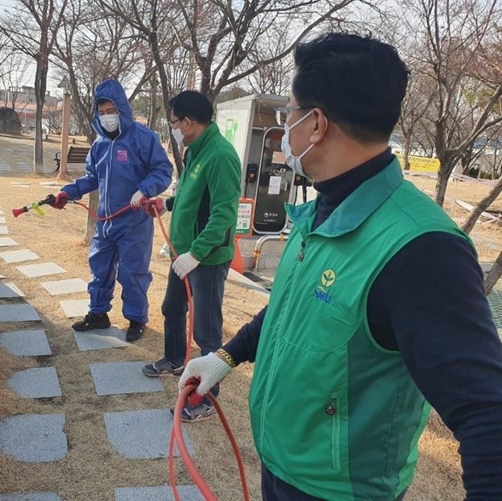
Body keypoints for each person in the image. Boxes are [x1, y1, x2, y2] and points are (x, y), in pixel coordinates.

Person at [178, 32, 502, 500]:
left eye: (288, 112)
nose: (284, 127)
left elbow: (487, 415)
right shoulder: (321, 210)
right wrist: (226, 356)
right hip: (282, 466)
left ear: (315, 124)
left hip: (337, 491)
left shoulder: (422, 251)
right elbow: (293, 306)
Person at [142, 90, 241, 422]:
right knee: (172, 307)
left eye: (173, 122)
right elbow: (189, 194)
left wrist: (197, 254)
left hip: (206, 259)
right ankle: (173, 359)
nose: (173, 128)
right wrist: (165, 204)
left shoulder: (220, 156)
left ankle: (206, 398)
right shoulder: (195, 150)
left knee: (207, 332)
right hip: (182, 252)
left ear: (188, 122)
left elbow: (223, 215)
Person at [51, 78, 172, 342]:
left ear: (122, 109)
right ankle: (98, 314)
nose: (107, 117)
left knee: (132, 274)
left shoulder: (144, 138)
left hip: (134, 223)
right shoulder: (99, 145)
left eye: (111, 111)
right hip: (105, 222)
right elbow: (91, 178)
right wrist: (68, 192)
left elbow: (163, 170)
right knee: (100, 269)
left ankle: (136, 319)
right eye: (102, 113)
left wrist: (145, 189)